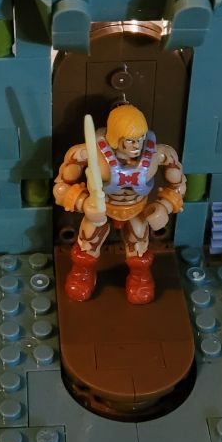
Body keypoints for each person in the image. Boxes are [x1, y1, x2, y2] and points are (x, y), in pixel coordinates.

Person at [53, 104, 186, 304]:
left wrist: (164, 207)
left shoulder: (159, 155)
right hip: (101, 207)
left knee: (139, 244)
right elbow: (61, 188)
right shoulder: (87, 153)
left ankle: (140, 276)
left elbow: (178, 185)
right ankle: (82, 273)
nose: (137, 145)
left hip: (137, 208)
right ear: (115, 138)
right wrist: (84, 203)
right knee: (88, 242)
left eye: (141, 139)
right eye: (130, 140)